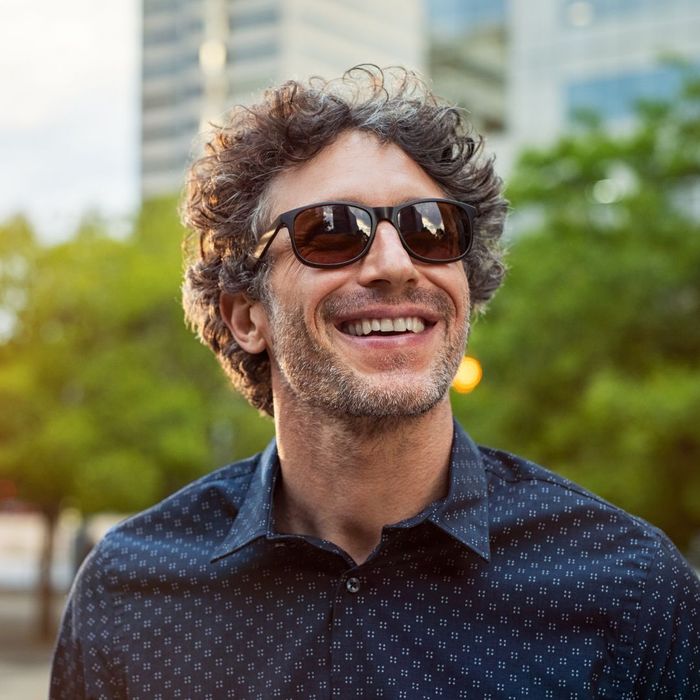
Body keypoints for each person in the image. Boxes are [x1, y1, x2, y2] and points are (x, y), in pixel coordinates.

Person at [51, 66, 699, 698]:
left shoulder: (628, 590)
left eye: (431, 230)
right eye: (332, 232)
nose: (394, 264)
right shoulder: (128, 593)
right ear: (246, 316)